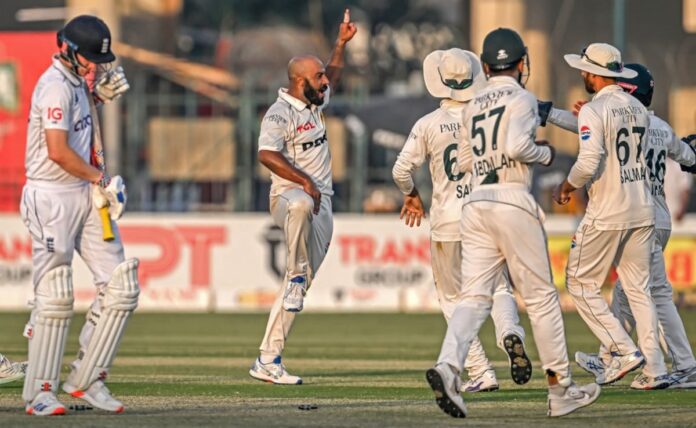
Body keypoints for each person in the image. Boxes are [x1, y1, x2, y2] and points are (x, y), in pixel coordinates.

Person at [425, 28, 599, 419]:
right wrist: (546, 154)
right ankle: (560, 391)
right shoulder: (521, 98)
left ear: (485, 67)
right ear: (522, 64)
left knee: (473, 298)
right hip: (511, 198)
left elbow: (467, 163)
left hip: (476, 204)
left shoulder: (472, 105)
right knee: (540, 299)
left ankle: (448, 367)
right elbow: (519, 147)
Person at [548, 64, 696, 389]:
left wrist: (560, 114)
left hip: (625, 211)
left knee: (640, 292)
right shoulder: (653, 122)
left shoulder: (615, 114)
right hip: (653, 214)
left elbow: (592, 146)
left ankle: (652, 359)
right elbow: (689, 155)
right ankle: (616, 359)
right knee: (635, 293)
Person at [392, 48, 530, 393]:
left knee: (453, 298)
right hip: (488, 214)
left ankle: (481, 371)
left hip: (449, 221)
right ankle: (510, 333)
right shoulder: (489, 117)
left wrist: (411, 195)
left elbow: (401, 170)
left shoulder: (428, 124)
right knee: (498, 288)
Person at [21, 15, 137, 416]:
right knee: (54, 294)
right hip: (52, 195)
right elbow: (57, 151)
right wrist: (101, 178)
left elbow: (80, 131)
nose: (97, 65)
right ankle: (40, 392)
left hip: (85, 193)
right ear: (68, 50)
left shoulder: (77, 84)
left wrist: (97, 98)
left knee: (121, 286)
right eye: (89, 58)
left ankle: (87, 379)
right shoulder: (54, 86)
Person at [249, 9, 356, 385]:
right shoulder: (279, 114)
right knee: (300, 203)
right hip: (287, 199)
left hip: (322, 204)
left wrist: (340, 43)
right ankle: (294, 274)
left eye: (323, 76)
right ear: (298, 82)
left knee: (298, 291)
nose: (326, 81)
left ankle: (267, 359)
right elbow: (266, 154)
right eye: (318, 77)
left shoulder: (315, 101)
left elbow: (336, 73)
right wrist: (305, 181)